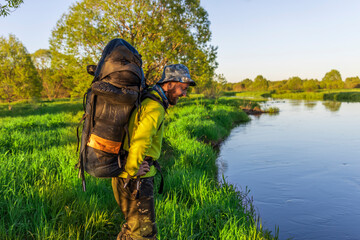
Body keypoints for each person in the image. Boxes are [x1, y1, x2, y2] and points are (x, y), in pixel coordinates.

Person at [112, 64, 196, 240]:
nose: (184, 94)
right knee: (145, 234)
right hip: (136, 180)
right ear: (170, 83)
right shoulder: (154, 107)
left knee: (132, 229)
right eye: (183, 88)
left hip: (128, 175)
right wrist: (132, 169)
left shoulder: (149, 100)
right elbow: (141, 140)